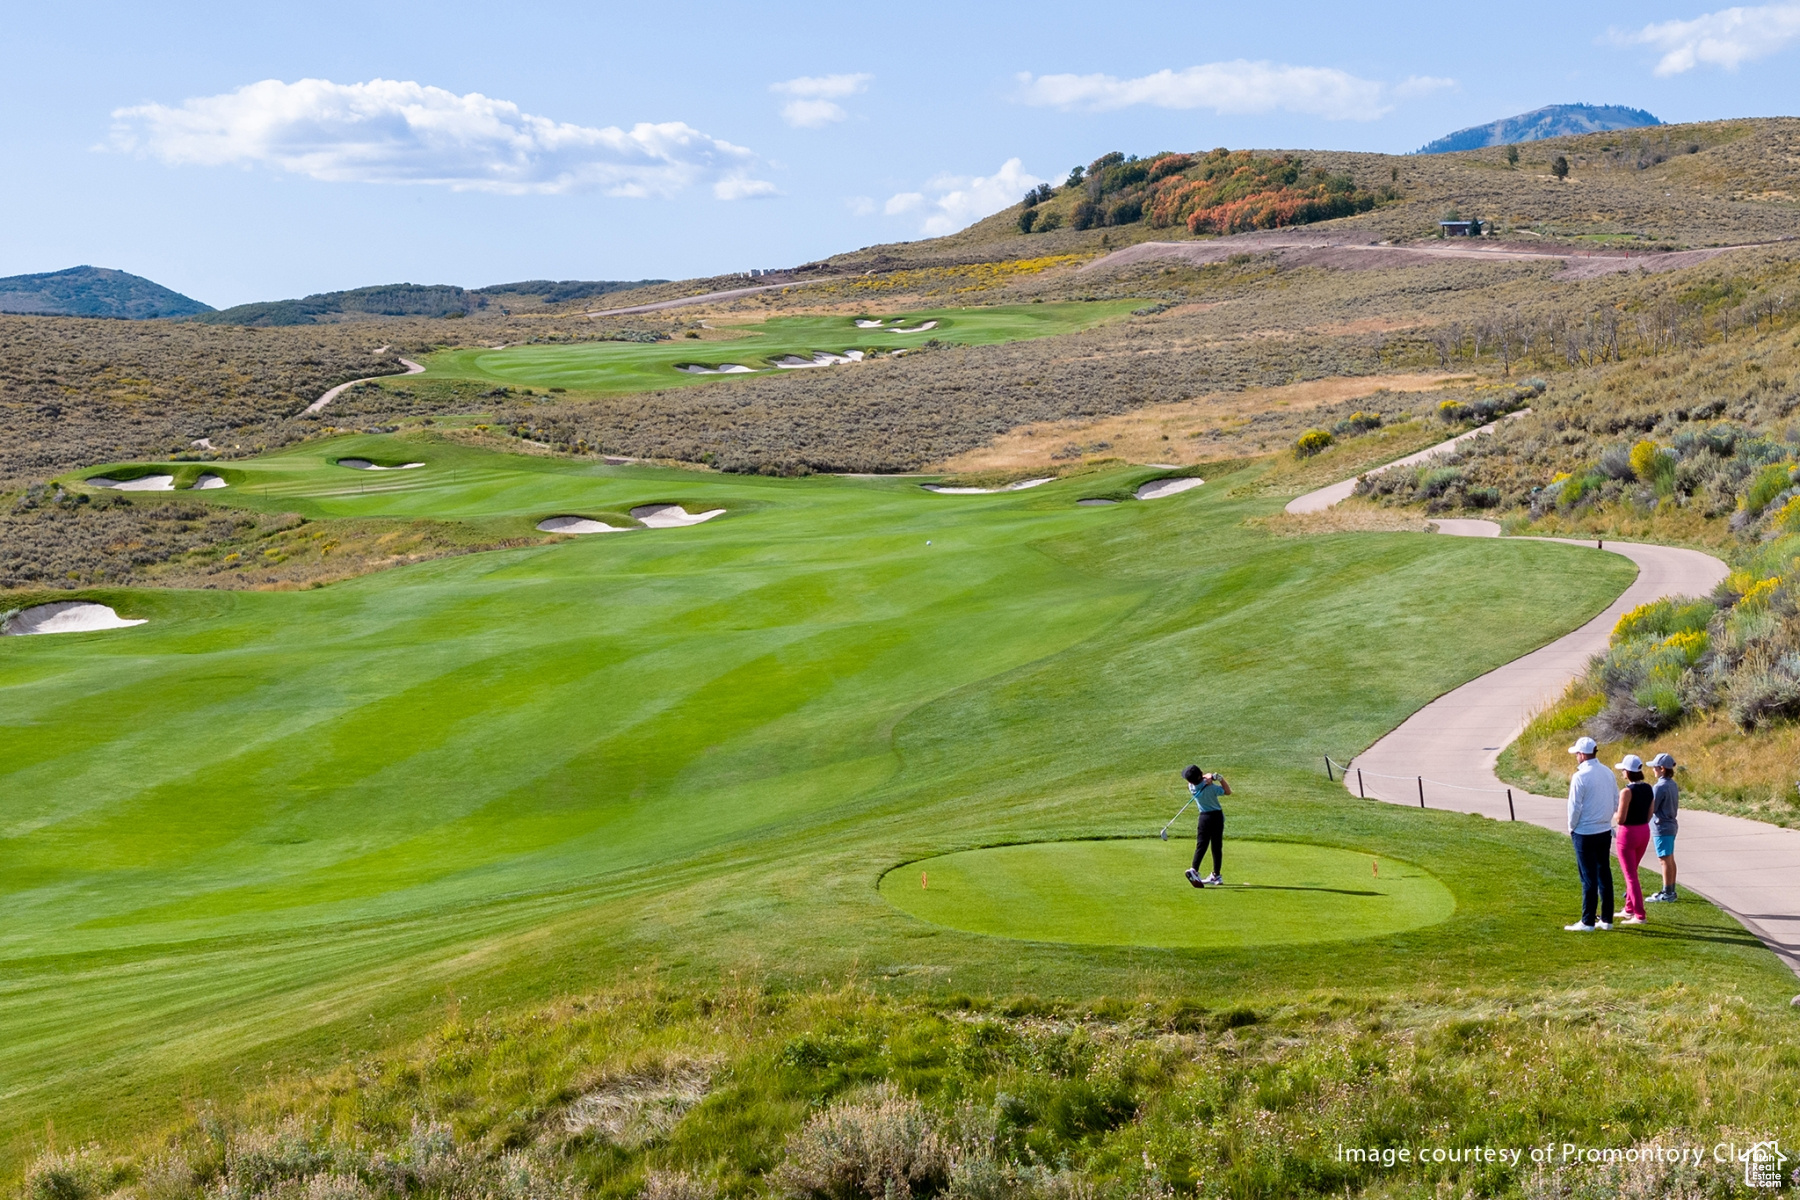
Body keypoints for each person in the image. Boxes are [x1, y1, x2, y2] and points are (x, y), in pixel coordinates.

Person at [1565, 736, 1616, 931]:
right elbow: (1614, 800)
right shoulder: (1607, 772)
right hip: (1603, 829)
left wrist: (1572, 827)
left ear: (1583, 754)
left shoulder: (1580, 777)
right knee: (1604, 873)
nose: (1576, 756)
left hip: (1585, 831)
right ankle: (1606, 919)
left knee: (1588, 877)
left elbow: (1575, 807)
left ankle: (1588, 921)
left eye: (1577, 753)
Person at [1612, 754, 1654, 924]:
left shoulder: (1627, 791)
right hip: (1644, 830)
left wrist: (1612, 813)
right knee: (1632, 872)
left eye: (1623, 770)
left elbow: (1620, 819)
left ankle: (1639, 914)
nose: (1622, 772)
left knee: (1630, 875)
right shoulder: (1648, 788)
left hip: (1628, 834)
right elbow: (1650, 812)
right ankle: (1629, 908)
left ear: (1628, 772)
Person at [1181, 764, 1231, 888]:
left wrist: (1207, 778)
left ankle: (1194, 869)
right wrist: (1218, 778)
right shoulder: (1211, 788)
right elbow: (1228, 792)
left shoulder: (1191, 786)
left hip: (1204, 818)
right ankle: (1216, 875)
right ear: (1200, 774)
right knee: (1216, 846)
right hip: (1217, 817)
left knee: (1201, 845)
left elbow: (1199, 779)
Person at [1646, 753, 1680, 902]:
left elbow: (1652, 808)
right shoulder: (1672, 784)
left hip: (1662, 827)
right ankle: (1670, 890)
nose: (1653, 770)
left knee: (1664, 860)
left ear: (1661, 769)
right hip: (1671, 825)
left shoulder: (1659, 786)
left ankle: (1667, 893)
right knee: (1669, 858)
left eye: (1655, 767)